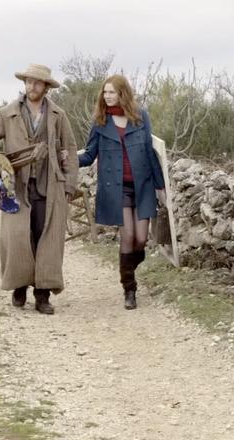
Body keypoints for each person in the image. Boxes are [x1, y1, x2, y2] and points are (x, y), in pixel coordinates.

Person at [0, 64, 79, 314]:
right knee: (17, 238)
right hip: (16, 186)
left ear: (46, 87)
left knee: (46, 239)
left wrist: (69, 183)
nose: (31, 86)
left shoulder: (58, 115)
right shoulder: (7, 113)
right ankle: (19, 287)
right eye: (28, 82)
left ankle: (42, 295)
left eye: (37, 82)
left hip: (49, 185)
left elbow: (70, 148)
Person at [79, 74, 165, 310]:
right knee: (127, 236)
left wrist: (160, 187)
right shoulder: (100, 122)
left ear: (122, 93)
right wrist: (66, 160)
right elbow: (88, 155)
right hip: (116, 189)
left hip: (143, 185)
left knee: (140, 239)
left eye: (112, 92)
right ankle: (129, 289)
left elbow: (150, 152)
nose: (107, 97)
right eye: (104, 93)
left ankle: (129, 264)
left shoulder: (140, 116)